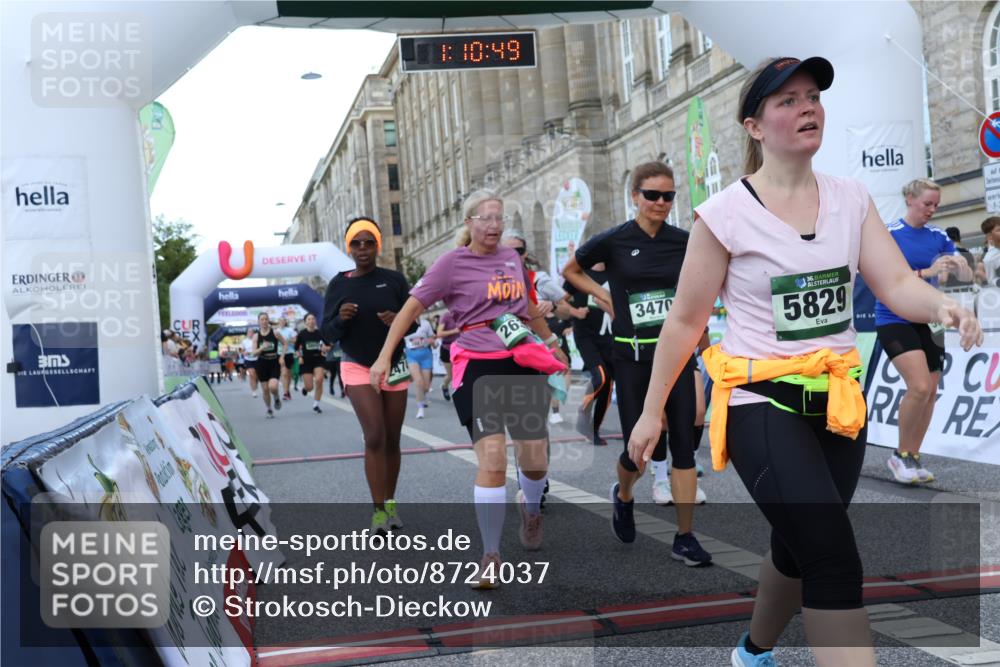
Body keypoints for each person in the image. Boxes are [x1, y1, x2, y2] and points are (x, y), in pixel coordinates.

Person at [624, 57, 982, 666]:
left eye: (812, 96)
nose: (807, 107)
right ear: (755, 126)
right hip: (762, 402)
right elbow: (685, 322)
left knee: (798, 547)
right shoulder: (724, 214)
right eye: (787, 100)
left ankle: (752, 650)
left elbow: (895, 283)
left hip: (839, 399)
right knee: (833, 558)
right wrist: (653, 411)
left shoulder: (850, 198)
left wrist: (945, 306)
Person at [369, 191, 568, 589]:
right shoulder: (451, 265)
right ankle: (490, 555)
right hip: (476, 365)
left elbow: (526, 307)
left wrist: (550, 343)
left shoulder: (512, 259)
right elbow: (410, 309)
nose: (494, 226)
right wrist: (384, 356)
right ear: (469, 223)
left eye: (500, 218)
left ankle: (531, 508)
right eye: (486, 218)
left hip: (520, 359)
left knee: (534, 460)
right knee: (492, 459)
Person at [563, 161, 710, 563]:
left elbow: (699, 291)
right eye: (652, 195)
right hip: (631, 356)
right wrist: (604, 295)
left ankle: (685, 535)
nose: (660, 203)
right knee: (638, 451)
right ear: (635, 196)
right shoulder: (613, 240)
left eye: (668, 196)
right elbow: (570, 270)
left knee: (683, 446)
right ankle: (624, 494)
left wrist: (705, 341)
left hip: (677, 355)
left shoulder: (684, 240)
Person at [875, 179, 973, 484]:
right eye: (927, 203)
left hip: (929, 319)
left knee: (930, 391)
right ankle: (899, 455)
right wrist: (926, 272)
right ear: (909, 199)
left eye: (936, 205)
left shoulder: (939, 235)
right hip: (894, 317)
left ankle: (913, 456)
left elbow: (966, 275)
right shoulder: (890, 234)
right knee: (918, 386)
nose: (932, 210)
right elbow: (885, 276)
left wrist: (959, 264)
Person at [322, 217, 413, 534]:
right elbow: (327, 332)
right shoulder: (339, 283)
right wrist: (342, 319)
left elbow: (412, 322)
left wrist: (397, 321)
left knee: (392, 438)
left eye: (368, 242)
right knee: (374, 434)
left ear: (378, 245)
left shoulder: (394, 280)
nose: (362, 249)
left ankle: (390, 504)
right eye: (356, 243)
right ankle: (377, 514)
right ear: (349, 247)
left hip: (394, 364)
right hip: (356, 365)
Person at [565, 262, 614, 446]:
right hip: (586, 336)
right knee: (601, 377)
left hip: (611, 337)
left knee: (608, 386)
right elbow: (560, 301)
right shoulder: (579, 274)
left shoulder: (615, 272)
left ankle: (593, 429)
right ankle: (582, 411)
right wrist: (575, 312)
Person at [251, 312, 286, 418]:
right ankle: (269, 409)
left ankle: (276, 396)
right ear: (258, 322)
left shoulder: (275, 333)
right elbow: (254, 353)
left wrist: (282, 357)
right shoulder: (256, 336)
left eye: (266, 319)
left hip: (274, 361)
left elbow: (285, 344)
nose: (264, 321)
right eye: (262, 319)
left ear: (268, 321)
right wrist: (262, 347)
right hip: (262, 363)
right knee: (265, 389)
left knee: (273, 386)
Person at [296, 313, 328, 413]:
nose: (311, 321)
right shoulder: (302, 334)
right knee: (310, 387)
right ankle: (306, 388)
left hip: (318, 359)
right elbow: (296, 348)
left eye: (313, 319)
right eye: (309, 319)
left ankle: (316, 404)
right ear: (305, 322)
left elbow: (329, 345)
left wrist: (325, 348)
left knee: (319, 380)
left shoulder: (320, 333)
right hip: (306, 361)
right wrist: (300, 357)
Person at [404, 317, 436, 418]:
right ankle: (420, 408)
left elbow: (432, 337)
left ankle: (424, 395)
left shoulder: (425, 323)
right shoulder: (404, 321)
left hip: (426, 355)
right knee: (418, 381)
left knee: (426, 386)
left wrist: (432, 342)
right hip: (411, 355)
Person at [437, 310, 460, 401]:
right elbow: (439, 333)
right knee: (451, 375)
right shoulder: (446, 316)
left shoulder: (463, 313)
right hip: (447, 349)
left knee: (461, 373)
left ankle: (460, 395)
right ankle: (444, 385)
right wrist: (455, 331)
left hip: (460, 348)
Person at [277, 316, 297, 401]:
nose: (282, 322)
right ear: (278, 322)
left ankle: (287, 390)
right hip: (280, 353)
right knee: (284, 373)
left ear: (285, 322)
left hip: (289, 353)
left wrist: (287, 341)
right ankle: (285, 393)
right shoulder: (276, 331)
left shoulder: (290, 330)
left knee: (288, 374)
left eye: (283, 321)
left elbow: (295, 340)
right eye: (280, 321)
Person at [979, 216, 1000, 286]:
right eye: (999, 230)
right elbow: (991, 280)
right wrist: (997, 282)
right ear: (990, 236)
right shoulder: (989, 258)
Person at [241, 328, 258, 397]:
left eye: (252, 332)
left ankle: (255, 383)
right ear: (247, 333)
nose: (250, 333)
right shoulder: (244, 341)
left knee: (256, 376)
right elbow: (241, 349)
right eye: (249, 332)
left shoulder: (257, 340)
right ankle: (254, 391)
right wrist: (243, 352)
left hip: (257, 359)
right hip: (248, 359)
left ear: (253, 333)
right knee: (251, 374)